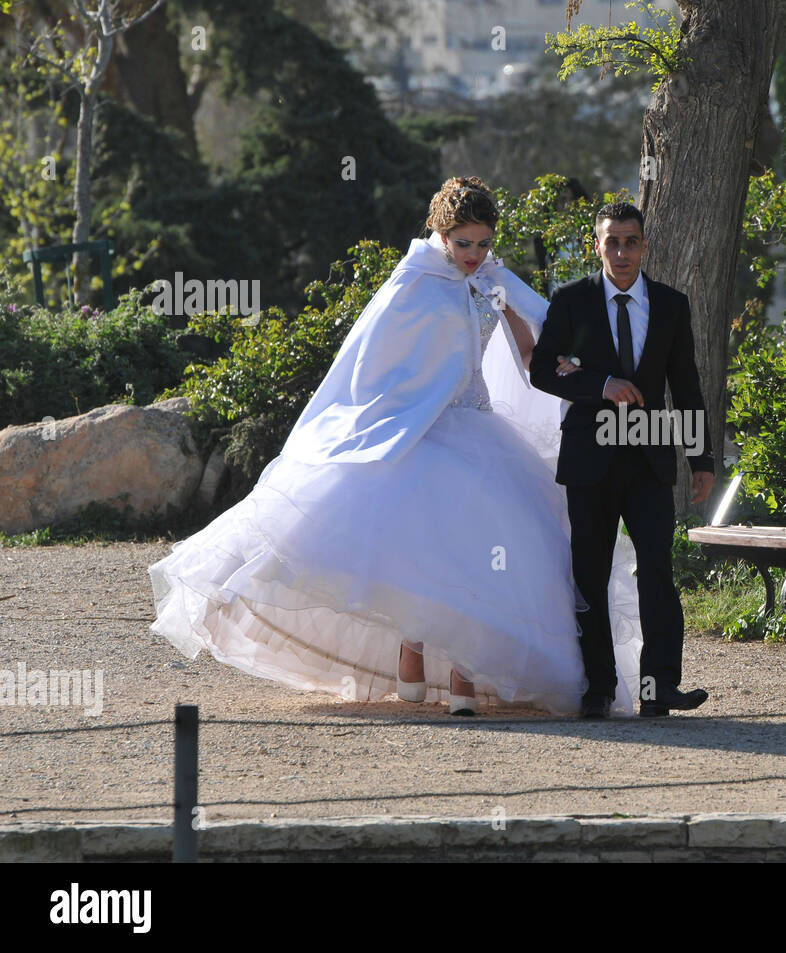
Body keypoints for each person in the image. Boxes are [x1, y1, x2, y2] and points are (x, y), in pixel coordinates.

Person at [147, 177, 645, 716]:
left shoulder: (494, 282)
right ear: (440, 233)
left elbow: (528, 355)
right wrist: (393, 415)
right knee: (422, 544)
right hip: (416, 427)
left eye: (483, 243)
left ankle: (464, 673)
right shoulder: (413, 282)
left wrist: (577, 371)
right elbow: (372, 360)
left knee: (486, 547)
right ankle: (412, 650)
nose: (475, 256)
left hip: (478, 427)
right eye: (464, 244)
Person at [530, 201, 716, 718]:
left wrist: (702, 459)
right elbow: (542, 370)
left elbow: (687, 384)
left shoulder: (672, 304)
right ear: (598, 245)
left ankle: (659, 687)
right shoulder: (572, 301)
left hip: (650, 458)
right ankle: (599, 688)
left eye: (631, 241)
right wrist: (601, 385)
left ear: (644, 246)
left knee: (657, 570)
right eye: (612, 241)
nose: (622, 251)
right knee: (589, 575)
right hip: (590, 459)